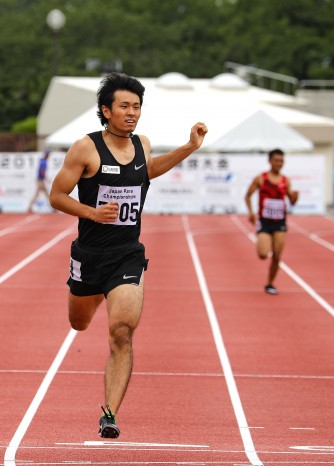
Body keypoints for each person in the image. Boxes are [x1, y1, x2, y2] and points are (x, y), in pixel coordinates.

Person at [49, 72, 207, 438]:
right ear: (106, 110)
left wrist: (189, 147)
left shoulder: (143, 144)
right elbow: (56, 196)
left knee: (121, 332)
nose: (132, 113)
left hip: (127, 255)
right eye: (124, 106)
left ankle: (109, 414)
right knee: (79, 323)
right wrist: (91, 213)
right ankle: (90, 296)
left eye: (137, 106)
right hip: (89, 255)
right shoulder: (84, 148)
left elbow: (148, 171)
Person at [244, 148, 299, 295]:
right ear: (270, 161)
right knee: (263, 254)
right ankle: (263, 245)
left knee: (277, 255)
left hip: (280, 222)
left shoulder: (285, 181)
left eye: (281, 161)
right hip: (264, 221)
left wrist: (295, 197)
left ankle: (270, 283)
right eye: (276, 160)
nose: (279, 163)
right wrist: (250, 212)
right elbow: (247, 195)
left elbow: (291, 201)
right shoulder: (261, 178)